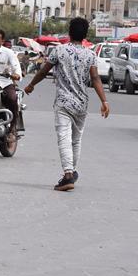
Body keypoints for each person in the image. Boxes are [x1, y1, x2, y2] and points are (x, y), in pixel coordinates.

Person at [24, 17, 109, 192]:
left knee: (64, 137)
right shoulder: (91, 54)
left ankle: (68, 174)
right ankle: (72, 171)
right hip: (81, 104)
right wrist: (104, 101)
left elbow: (43, 71)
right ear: (85, 35)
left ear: (69, 32)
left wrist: (31, 85)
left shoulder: (58, 51)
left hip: (63, 102)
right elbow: (95, 79)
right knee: (76, 140)